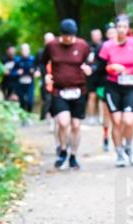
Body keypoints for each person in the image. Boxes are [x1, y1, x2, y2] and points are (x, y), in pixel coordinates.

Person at [40, 19, 93, 170]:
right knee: (63, 123)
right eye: (65, 36)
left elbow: (92, 62)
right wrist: (45, 75)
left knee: (76, 125)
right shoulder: (52, 46)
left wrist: (90, 69)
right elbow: (42, 62)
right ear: (60, 34)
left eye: (71, 36)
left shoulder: (83, 45)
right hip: (59, 90)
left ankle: (73, 156)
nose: (68, 39)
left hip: (79, 91)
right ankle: (63, 150)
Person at [97, 14, 133, 166]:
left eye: (125, 27)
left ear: (129, 29)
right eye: (119, 27)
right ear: (115, 28)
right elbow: (99, 69)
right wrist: (111, 67)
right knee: (117, 122)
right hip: (113, 87)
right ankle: (119, 154)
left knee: (129, 120)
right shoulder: (107, 46)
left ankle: (129, 148)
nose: (121, 29)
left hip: (132, 86)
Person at [97, 23, 117, 152]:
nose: (112, 36)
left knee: (117, 115)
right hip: (104, 84)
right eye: (109, 33)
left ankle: (119, 140)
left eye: (113, 33)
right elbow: (97, 68)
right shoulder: (101, 48)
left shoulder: (124, 46)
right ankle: (105, 136)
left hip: (121, 86)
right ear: (106, 35)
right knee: (106, 113)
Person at [85, 28, 105, 125]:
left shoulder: (105, 45)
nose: (96, 37)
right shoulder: (88, 47)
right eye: (94, 35)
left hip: (102, 76)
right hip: (91, 77)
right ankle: (91, 117)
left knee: (102, 97)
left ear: (101, 35)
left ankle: (101, 117)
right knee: (92, 96)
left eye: (98, 35)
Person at [11, 43, 37, 113]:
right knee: (22, 102)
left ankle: (29, 113)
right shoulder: (17, 60)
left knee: (30, 101)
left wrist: (35, 72)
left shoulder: (33, 59)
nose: (25, 51)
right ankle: (23, 118)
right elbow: (11, 72)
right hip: (20, 84)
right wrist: (17, 72)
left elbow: (37, 70)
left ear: (29, 50)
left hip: (30, 83)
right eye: (23, 50)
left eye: (26, 50)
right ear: (21, 51)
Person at [36, 32, 54, 122]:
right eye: (47, 40)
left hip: (57, 79)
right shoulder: (40, 53)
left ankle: (51, 116)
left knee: (52, 98)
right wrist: (37, 71)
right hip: (44, 79)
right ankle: (45, 116)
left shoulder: (58, 51)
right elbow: (36, 65)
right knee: (46, 98)